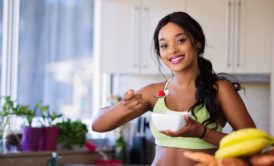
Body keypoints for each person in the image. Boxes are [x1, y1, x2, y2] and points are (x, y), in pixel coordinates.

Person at [92, 11, 256, 165]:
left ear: (197, 43)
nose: (172, 50)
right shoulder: (154, 93)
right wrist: (124, 106)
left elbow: (252, 145)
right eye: (164, 45)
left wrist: (202, 132)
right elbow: (98, 125)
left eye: (181, 40)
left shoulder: (219, 89)